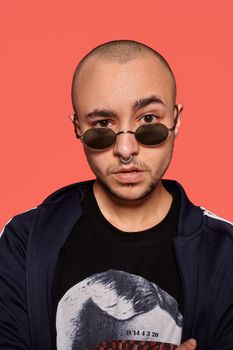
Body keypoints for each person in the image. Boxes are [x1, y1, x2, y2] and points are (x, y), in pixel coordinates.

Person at [0, 40, 232, 350]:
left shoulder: (224, 254)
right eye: (103, 125)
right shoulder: (24, 242)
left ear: (175, 120)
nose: (125, 149)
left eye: (149, 120)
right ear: (78, 128)